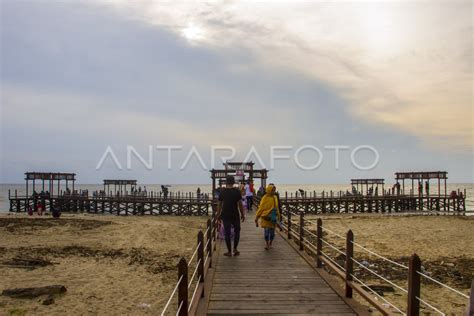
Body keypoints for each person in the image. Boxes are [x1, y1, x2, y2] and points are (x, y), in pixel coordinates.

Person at [217, 175, 245, 257]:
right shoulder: (237, 192)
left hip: (225, 214)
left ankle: (229, 251)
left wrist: (218, 215)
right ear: (233, 182)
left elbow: (219, 204)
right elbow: (240, 204)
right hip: (235, 214)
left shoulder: (223, 192)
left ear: (226, 182)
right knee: (237, 231)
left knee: (227, 233)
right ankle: (235, 249)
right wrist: (242, 214)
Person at [255, 184, 281, 250]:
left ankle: (270, 243)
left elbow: (277, 207)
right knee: (266, 233)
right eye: (272, 190)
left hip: (272, 217)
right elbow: (261, 208)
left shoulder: (275, 197)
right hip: (265, 217)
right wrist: (257, 217)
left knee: (272, 233)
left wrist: (279, 216)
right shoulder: (265, 198)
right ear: (269, 190)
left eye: (274, 190)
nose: (273, 192)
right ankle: (267, 244)